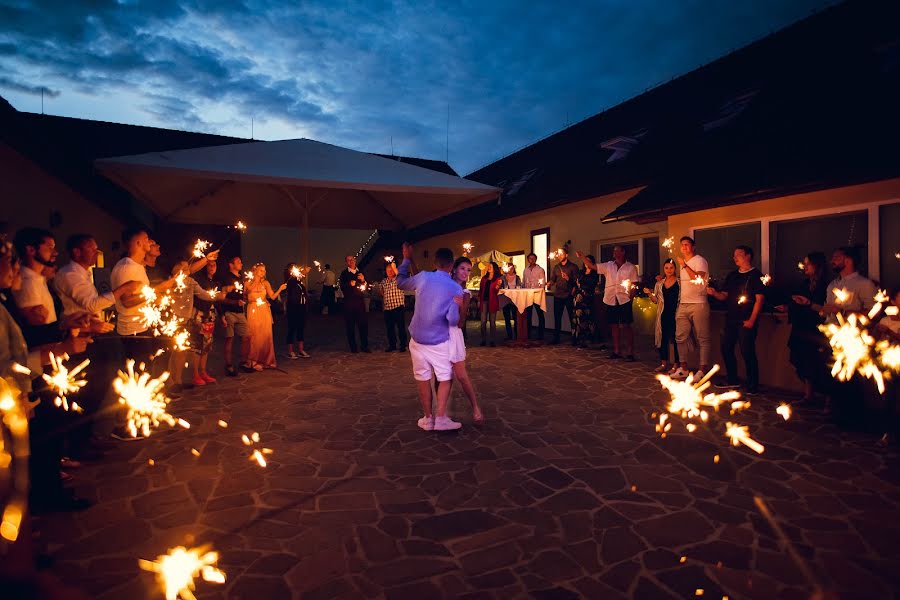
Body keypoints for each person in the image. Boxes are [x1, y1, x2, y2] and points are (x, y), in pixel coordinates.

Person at [397, 243, 463, 431]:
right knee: (445, 377)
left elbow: (400, 282)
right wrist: (456, 307)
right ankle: (441, 418)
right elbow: (452, 320)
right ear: (451, 265)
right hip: (438, 341)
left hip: (417, 340)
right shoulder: (455, 288)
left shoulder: (423, 277)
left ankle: (427, 418)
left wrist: (406, 260)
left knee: (423, 377)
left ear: (435, 262)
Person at [706, 246, 765, 393]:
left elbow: (759, 300)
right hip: (731, 319)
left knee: (747, 352)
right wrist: (714, 293)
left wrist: (751, 320)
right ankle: (732, 379)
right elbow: (724, 295)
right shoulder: (732, 275)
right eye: (734, 255)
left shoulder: (756, 275)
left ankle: (753, 384)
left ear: (748, 256)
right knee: (726, 348)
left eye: (738, 254)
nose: (735, 258)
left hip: (746, 320)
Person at [784, 252, 829, 403]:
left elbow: (826, 308)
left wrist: (808, 303)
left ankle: (826, 397)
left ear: (816, 265)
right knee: (799, 359)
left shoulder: (827, 285)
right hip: (801, 326)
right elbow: (797, 301)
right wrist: (788, 306)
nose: (805, 267)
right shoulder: (804, 284)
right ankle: (808, 394)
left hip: (816, 328)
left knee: (817, 362)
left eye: (807, 264)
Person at [449, 256, 483, 422]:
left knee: (461, 375)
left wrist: (461, 306)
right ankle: (438, 411)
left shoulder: (466, 293)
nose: (465, 273)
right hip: (439, 334)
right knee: (441, 376)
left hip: (454, 334)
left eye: (468, 270)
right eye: (462, 268)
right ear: (454, 268)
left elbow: (461, 322)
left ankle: (475, 406)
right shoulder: (444, 287)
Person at [674, 236, 711, 379]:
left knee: (703, 338)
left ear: (693, 247)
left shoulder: (700, 261)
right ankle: (683, 368)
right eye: (682, 245)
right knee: (680, 337)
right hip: (683, 304)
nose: (684, 247)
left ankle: (702, 370)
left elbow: (698, 279)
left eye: (687, 244)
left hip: (699, 304)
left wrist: (684, 266)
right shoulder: (684, 263)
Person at [246, 263, 286, 370]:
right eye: (261, 270)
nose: (263, 273)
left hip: (264, 310)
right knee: (254, 336)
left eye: (264, 270)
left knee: (266, 335)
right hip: (253, 309)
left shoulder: (266, 283)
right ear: (255, 271)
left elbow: (272, 296)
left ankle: (267, 360)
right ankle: (254, 361)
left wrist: (280, 289)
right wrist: (255, 282)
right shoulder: (248, 283)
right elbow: (246, 294)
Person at [822, 246, 877, 322]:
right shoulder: (832, 285)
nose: (832, 261)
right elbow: (828, 312)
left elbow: (873, 314)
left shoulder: (865, 284)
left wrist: (842, 312)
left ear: (848, 260)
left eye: (836, 258)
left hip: (852, 332)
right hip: (829, 330)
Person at [645, 258, 680, 373]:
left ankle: (676, 365)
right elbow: (655, 300)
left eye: (671, 268)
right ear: (663, 269)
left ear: (675, 269)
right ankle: (664, 363)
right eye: (666, 268)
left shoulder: (680, 283)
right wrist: (650, 293)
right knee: (662, 339)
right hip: (663, 314)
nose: (669, 270)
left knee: (676, 340)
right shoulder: (659, 284)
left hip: (676, 314)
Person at [220, 256, 250, 376]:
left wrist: (244, 297)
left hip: (240, 312)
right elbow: (222, 298)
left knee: (247, 336)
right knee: (229, 339)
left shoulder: (241, 279)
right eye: (238, 262)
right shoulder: (226, 278)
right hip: (229, 312)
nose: (241, 264)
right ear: (231, 265)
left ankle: (243, 362)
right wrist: (235, 302)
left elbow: (241, 296)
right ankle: (228, 366)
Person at [877, 290, 900, 446]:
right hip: (889, 363)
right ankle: (888, 433)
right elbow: (880, 343)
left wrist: (892, 333)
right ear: (893, 301)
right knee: (889, 398)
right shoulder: (886, 320)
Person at [193, 258, 221, 381]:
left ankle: (203, 371)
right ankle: (195, 374)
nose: (212, 267)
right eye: (209, 265)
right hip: (200, 314)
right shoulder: (199, 281)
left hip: (210, 315)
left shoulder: (215, 282)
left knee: (207, 344)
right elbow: (202, 296)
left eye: (214, 265)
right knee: (198, 345)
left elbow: (216, 299)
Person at [547, 248, 580, 345]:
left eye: (562, 254)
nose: (559, 255)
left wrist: (568, 278)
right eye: (558, 254)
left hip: (569, 295)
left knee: (572, 318)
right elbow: (553, 279)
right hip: (558, 295)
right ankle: (556, 338)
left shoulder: (573, 267)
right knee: (557, 318)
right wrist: (549, 283)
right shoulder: (556, 267)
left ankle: (574, 338)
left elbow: (577, 282)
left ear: (566, 255)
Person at [339, 254, 370, 353]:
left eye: (352, 260)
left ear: (355, 261)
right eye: (348, 260)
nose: (351, 262)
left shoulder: (360, 272)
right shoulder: (344, 274)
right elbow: (342, 287)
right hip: (349, 303)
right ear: (346, 262)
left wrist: (363, 280)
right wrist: (349, 284)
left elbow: (368, 288)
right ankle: (353, 348)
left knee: (363, 325)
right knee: (350, 326)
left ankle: (364, 346)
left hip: (359, 303)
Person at [377, 261, 407, 352]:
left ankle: (402, 345)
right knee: (390, 329)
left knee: (401, 327)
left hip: (398, 307)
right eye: (387, 270)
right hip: (387, 309)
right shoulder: (384, 281)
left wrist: (394, 267)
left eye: (391, 270)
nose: (389, 272)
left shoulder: (398, 279)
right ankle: (392, 345)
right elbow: (381, 292)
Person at [572, 253, 600, 348]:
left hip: (588, 298)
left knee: (587, 318)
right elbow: (576, 283)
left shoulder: (594, 274)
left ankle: (588, 339)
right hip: (579, 298)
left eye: (589, 261)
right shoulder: (581, 272)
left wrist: (581, 285)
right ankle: (578, 339)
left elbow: (590, 285)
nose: (586, 263)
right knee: (578, 318)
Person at [284, 263, 310, 359]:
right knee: (291, 329)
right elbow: (293, 281)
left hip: (301, 308)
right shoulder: (290, 281)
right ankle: (290, 351)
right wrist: (303, 272)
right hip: (293, 308)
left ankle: (300, 350)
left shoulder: (299, 283)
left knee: (301, 328)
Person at [522, 252, 546, 340]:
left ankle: (541, 335)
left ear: (536, 259)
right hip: (528, 295)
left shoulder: (540, 270)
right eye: (530, 258)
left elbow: (542, 283)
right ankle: (528, 334)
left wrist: (539, 291)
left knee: (540, 314)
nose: (531, 260)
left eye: (533, 258)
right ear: (528, 260)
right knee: (528, 315)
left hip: (537, 295)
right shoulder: (525, 270)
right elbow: (524, 282)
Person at [478, 261, 502, 346]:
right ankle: (483, 339)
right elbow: (480, 290)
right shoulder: (484, 278)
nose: (488, 267)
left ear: (494, 268)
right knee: (483, 321)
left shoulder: (497, 279)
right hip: (484, 301)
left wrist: (497, 286)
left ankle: (492, 340)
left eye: (490, 266)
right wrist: (478, 300)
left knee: (492, 322)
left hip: (492, 301)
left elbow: (496, 291)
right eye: (488, 266)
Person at [500, 263, 521, 340]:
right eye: (509, 268)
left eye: (512, 268)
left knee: (516, 318)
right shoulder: (503, 277)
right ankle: (509, 335)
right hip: (505, 300)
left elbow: (519, 287)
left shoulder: (517, 277)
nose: (510, 270)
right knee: (507, 318)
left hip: (515, 300)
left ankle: (516, 334)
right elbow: (500, 287)